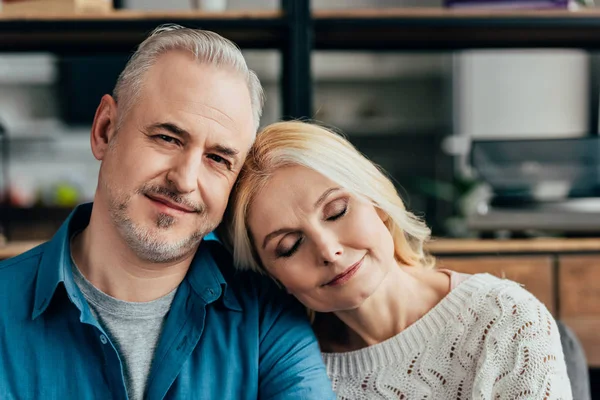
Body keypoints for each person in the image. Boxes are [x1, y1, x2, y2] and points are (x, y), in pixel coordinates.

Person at [0, 26, 334, 399]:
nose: (185, 181)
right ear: (105, 130)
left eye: (218, 159)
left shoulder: (267, 320)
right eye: (167, 138)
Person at [226, 121, 573, 399]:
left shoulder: (505, 318)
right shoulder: (288, 370)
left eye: (337, 211)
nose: (328, 251)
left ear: (375, 201)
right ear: (269, 273)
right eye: (289, 246)